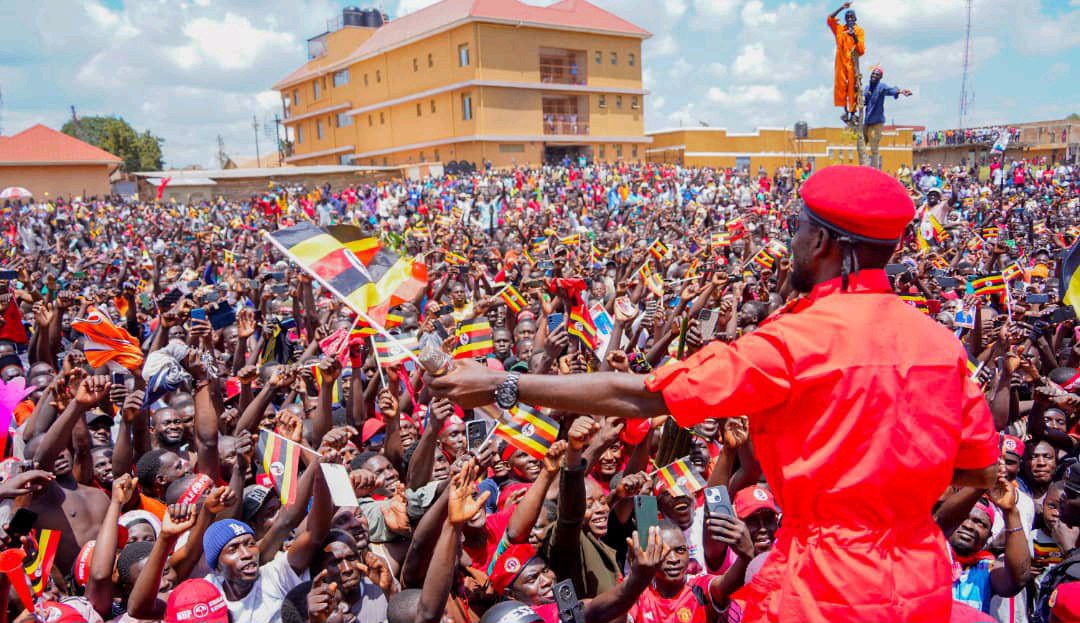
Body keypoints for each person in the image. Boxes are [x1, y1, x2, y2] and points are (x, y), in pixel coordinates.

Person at [428, 165, 1001, 622]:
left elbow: (646, 396)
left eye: (798, 227)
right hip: (923, 579)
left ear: (824, 240)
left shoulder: (796, 341)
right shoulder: (941, 344)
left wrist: (503, 383)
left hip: (826, 587)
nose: (791, 239)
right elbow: (978, 473)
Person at [863, 66, 912, 170]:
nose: (874, 76)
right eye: (873, 73)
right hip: (867, 121)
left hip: (877, 122)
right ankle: (863, 167)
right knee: (861, 144)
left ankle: (874, 170)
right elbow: (864, 102)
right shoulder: (867, 88)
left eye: (877, 74)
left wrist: (901, 91)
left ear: (880, 77)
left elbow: (891, 90)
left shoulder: (881, 87)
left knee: (874, 147)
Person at [827, 1, 866, 123]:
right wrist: (841, 7)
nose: (849, 19)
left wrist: (853, 36)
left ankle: (853, 113)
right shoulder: (839, 29)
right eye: (847, 17)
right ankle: (845, 111)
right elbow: (829, 19)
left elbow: (861, 50)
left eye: (851, 17)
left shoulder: (859, 31)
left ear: (855, 19)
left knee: (853, 87)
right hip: (840, 61)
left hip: (852, 62)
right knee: (841, 87)